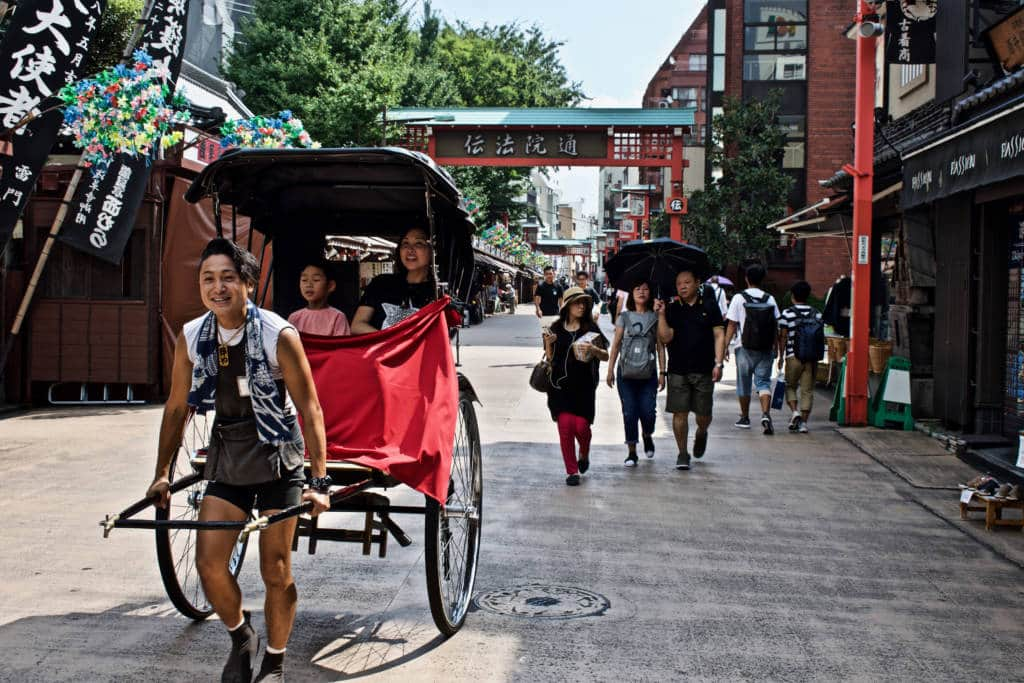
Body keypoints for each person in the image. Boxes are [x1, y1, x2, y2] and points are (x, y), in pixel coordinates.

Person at [147, 238, 331, 683]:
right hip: (228, 452)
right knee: (209, 563)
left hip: (277, 454)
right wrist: (160, 474)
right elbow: (177, 407)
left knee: (276, 569)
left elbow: (310, 409)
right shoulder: (193, 335)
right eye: (208, 279)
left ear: (248, 282)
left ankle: (275, 659)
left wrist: (319, 482)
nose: (218, 287)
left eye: (228, 277)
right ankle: (240, 634)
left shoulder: (277, 333)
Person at [656, 270, 727, 470]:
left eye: (687, 282)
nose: (683, 286)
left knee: (704, 414)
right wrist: (661, 315)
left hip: (704, 369)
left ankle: (702, 432)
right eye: (679, 283)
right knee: (680, 413)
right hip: (678, 369)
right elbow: (665, 338)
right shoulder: (672, 309)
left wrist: (718, 363)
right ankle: (682, 453)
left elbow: (719, 335)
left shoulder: (709, 306)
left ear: (697, 283)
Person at [543, 286, 609, 486]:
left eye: (584, 303)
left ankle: (584, 451)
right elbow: (550, 358)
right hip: (560, 386)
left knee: (581, 427)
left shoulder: (591, 328)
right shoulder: (555, 327)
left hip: (584, 387)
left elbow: (605, 355)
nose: (581, 306)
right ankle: (572, 471)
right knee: (565, 427)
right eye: (577, 303)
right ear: (568, 306)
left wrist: (594, 349)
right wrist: (549, 344)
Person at [606, 280, 666, 466]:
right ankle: (632, 451)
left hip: (648, 373)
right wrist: (610, 370)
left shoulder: (655, 317)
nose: (641, 292)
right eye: (637, 288)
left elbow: (660, 346)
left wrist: (663, 371)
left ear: (650, 293)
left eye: (646, 288)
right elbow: (616, 344)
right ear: (631, 293)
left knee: (648, 411)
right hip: (626, 372)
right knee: (629, 412)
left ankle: (647, 434)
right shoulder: (624, 317)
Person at [725, 263, 781, 435]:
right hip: (765, 348)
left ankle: (745, 417)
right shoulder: (770, 299)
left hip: (744, 347)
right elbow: (776, 325)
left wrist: (725, 346)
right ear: (762, 279)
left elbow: (732, 325)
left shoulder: (738, 298)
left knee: (744, 383)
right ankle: (765, 414)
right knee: (763, 382)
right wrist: (777, 348)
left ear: (747, 278)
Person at [351, 227, 436, 334]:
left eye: (418, 243)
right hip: (381, 349)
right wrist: (390, 341)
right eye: (405, 243)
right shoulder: (381, 283)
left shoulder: (437, 291)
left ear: (432, 251)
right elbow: (357, 326)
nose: (410, 249)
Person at [778, 281, 824, 433]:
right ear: (808, 296)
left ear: (793, 296)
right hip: (811, 358)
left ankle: (794, 412)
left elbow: (783, 337)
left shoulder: (787, 314)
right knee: (807, 390)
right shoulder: (817, 314)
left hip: (793, 357)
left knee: (789, 386)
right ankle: (804, 424)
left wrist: (780, 356)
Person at [287, 261, 351, 336]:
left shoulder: (338, 317)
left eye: (316, 280)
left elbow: (342, 346)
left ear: (330, 286)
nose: (308, 285)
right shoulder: (294, 318)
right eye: (304, 280)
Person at [534, 265, 564, 334]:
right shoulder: (540, 286)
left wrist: (563, 313)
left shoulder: (558, 286)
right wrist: (538, 309)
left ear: (554, 274)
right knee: (546, 335)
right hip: (544, 315)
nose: (549, 275)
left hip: (555, 315)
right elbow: (537, 300)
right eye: (547, 274)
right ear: (544, 275)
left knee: (554, 335)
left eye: (550, 273)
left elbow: (561, 302)